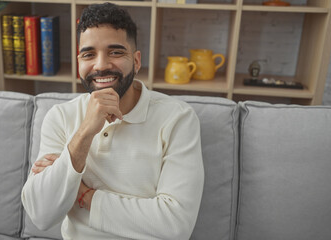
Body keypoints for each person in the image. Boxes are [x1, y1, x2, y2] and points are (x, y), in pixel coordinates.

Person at [21, 3, 204, 239]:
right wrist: (84, 133)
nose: (101, 65)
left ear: (136, 61)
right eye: (88, 54)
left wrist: (86, 197)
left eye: (116, 52)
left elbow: (176, 225)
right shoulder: (60, 117)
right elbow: (41, 215)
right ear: (79, 63)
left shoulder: (178, 118)